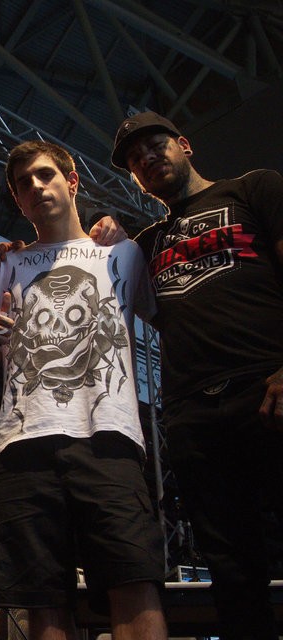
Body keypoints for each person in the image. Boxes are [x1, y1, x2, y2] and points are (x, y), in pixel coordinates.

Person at [0, 140, 167, 640]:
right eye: (24, 184)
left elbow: (175, 320)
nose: (36, 187)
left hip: (108, 437)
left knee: (133, 582)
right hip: (21, 443)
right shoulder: (6, 266)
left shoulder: (122, 253)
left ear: (72, 181)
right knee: (43, 602)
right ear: (18, 202)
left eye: (45, 175)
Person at [110, 110, 283, 639]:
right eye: (135, 158)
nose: (147, 158)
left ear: (184, 144)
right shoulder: (146, 244)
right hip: (193, 413)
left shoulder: (253, 189)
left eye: (155, 145)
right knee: (232, 568)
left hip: (266, 384)